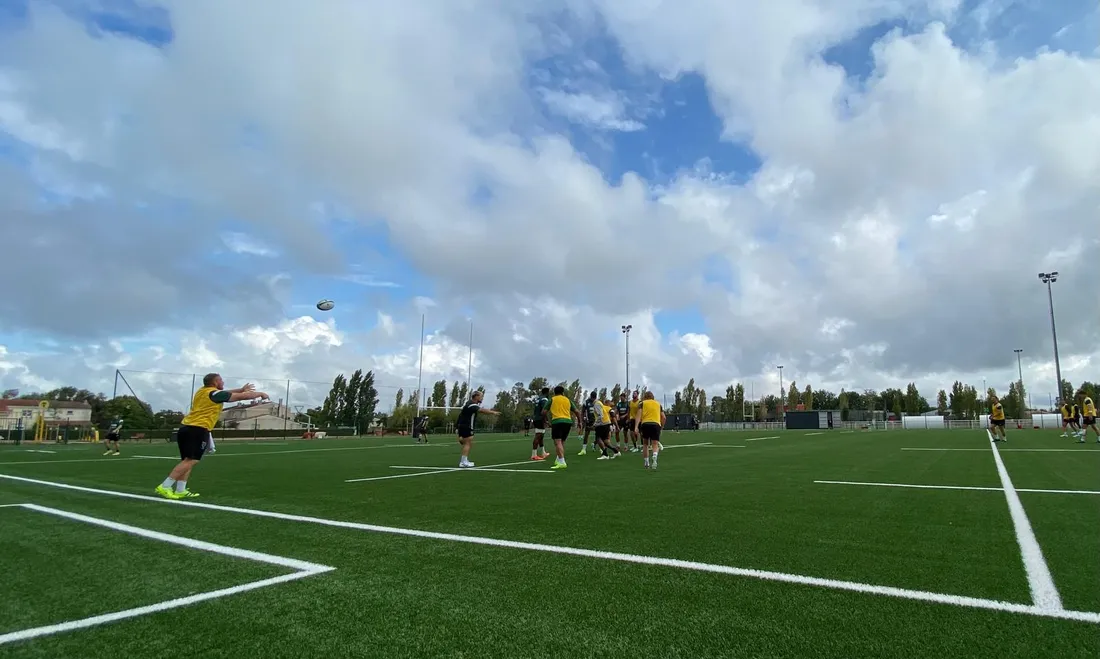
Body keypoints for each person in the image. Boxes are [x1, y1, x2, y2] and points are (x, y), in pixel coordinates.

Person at [155, 374, 269, 500]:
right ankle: (165, 486)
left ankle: (180, 490)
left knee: (187, 461)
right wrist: (261, 394)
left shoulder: (203, 391)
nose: (223, 382)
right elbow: (240, 397)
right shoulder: (214, 394)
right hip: (197, 429)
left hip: (187, 428)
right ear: (215, 382)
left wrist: (240, 389)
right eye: (221, 380)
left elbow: (224, 392)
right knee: (192, 460)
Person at [455, 390, 500, 468]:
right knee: (468, 443)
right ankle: (463, 462)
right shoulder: (472, 405)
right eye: (481, 396)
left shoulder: (468, 404)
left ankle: (464, 459)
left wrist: (457, 427)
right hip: (467, 426)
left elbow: (460, 416)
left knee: (466, 442)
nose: (482, 398)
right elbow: (481, 410)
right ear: (476, 396)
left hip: (463, 426)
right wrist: (493, 412)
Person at [548, 385, 580, 470]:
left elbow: (543, 412)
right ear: (563, 392)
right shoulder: (568, 400)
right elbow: (577, 411)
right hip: (568, 422)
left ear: (555, 393)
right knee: (561, 441)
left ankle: (562, 461)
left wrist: (546, 421)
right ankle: (558, 459)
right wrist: (580, 422)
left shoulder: (552, 399)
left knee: (557, 442)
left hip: (557, 421)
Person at [634, 391, 666, 469]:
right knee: (655, 444)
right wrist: (661, 427)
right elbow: (664, 417)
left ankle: (646, 462)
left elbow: (638, 415)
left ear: (645, 397)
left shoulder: (642, 403)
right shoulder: (658, 404)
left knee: (645, 444)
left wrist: (636, 427)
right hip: (656, 424)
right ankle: (654, 456)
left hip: (645, 424)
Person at [531, 388, 551, 461]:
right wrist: (547, 421)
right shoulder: (544, 399)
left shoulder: (538, 399)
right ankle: (534, 455)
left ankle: (543, 452)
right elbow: (544, 411)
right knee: (538, 435)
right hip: (540, 419)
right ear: (547, 392)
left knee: (541, 436)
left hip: (536, 418)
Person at [579, 391, 598, 456]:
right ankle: (583, 449)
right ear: (590, 396)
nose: (593, 399)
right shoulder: (586, 402)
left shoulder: (597, 402)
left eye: (594, 398)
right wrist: (582, 420)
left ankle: (598, 446)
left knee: (598, 434)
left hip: (596, 420)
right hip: (588, 421)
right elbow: (582, 412)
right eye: (592, 398)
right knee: (586, 434)